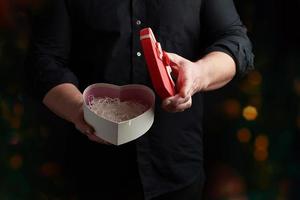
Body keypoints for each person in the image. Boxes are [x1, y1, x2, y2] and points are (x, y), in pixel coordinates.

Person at [25, 0, 254, 199]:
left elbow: (236, 41)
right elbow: (45, 61)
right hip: (95, 171)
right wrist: (79, 109)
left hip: (177, 170)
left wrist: (198, 74)